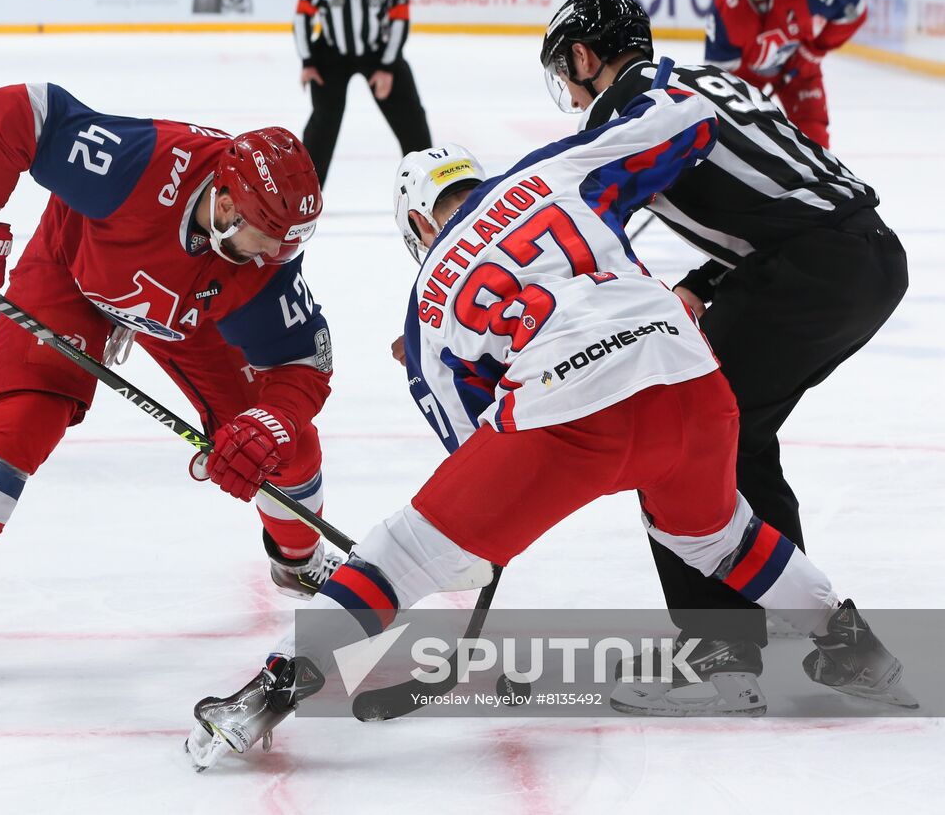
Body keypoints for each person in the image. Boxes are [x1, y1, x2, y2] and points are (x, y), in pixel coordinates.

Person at [186, 87, 914, 771]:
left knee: (401, 551)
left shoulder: (427, 307)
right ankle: (852, 644)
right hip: (690, 377)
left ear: (416, 223)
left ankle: (268, 693)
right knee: (717, 536)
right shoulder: (550, 171)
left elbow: (471, 450)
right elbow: (684, 116)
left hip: (568, 417)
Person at [0, 85, 341, 686]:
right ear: (226, 206)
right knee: (20, 427)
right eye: (269, 236)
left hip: (187, 314)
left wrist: (270, 420)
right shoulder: (139, 164)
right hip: (72, 272)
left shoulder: (265, 264)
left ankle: (299, 559)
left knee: (286, 442)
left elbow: (304, 360)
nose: (278, 256)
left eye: (291, 240)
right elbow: (10, 113)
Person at [540, 0, 908, 714]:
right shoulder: (708, 76)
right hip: (871, 256)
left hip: (806, 272)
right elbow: (787, 192)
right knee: (738, 436)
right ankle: (821, 641)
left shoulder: (626, 120)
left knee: (676, 437)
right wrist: (705, 281)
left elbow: (562, 220)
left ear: (585, 57)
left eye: (566, 66)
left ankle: (720, 651)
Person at [294, 0, 431, 188]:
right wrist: (308, 61)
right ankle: (303, 195)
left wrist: (386, 67)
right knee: (322, 125)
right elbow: (301, 17)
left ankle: (431, 187)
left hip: (378, 55)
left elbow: (400, 22)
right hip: (330, 57)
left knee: (412, 119)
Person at [705, 0, 867, 147]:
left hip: (799, 70)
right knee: (740, 143)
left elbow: (854, 9)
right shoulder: (726, 3)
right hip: (746, 77)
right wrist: (738, 104)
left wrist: (813, 50)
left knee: (815, 142)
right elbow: (718, 74)